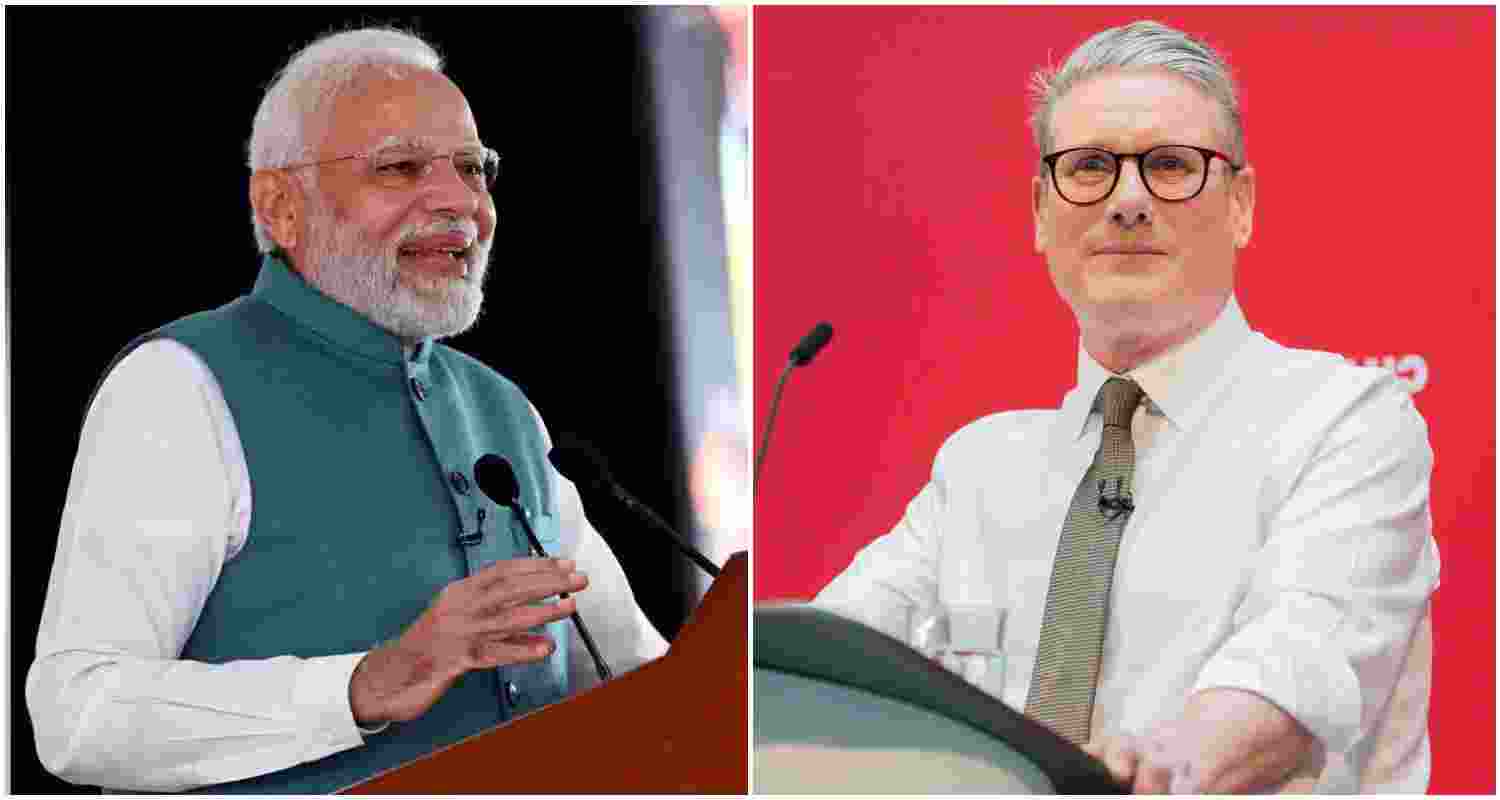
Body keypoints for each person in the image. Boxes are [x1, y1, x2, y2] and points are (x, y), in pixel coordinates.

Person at [26, 27, 668, 793]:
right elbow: (79, 716)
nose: (459, 201)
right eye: (400, 168)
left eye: (473, 168)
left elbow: (637, 677)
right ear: (281, 206)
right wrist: (366, 684)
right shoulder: (179, 387)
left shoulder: (504, 410)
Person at [815, 20, 1438, 793]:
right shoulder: (978, 468)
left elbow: (1295, 667)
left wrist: (1159, 765)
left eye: (1172, 166)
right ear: (1042, 212)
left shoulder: (1347, 423)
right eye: (1089, 168)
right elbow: (825, 662)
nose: (1129, 200)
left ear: (1241, 206)